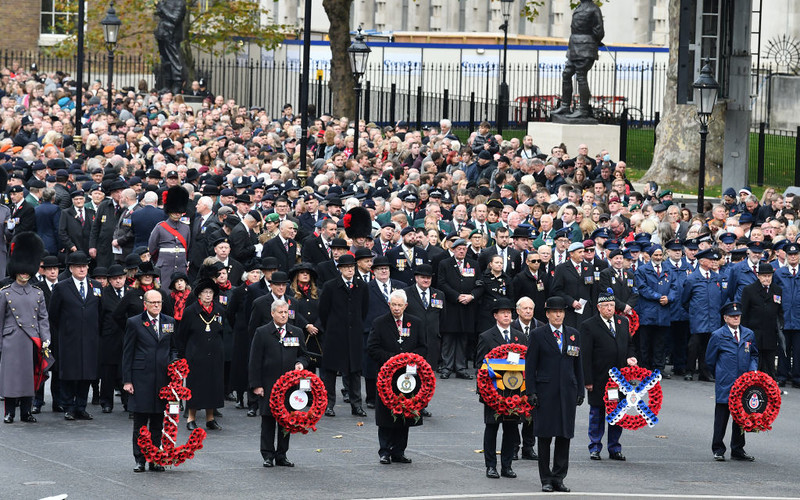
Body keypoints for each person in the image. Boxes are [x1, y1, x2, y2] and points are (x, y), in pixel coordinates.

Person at [526, 296, 584, 493]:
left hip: (567, 391)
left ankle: (559, 477)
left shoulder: (574, 334)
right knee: (544, 436)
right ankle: (546, 478)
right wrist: (531, 391)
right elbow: (530, 366)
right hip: (545, 392)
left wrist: (580, 389)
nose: (558, 314)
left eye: (561, 311)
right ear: (548, 314)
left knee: (564, 435)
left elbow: (578, 365)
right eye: (554, 311)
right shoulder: (537, 334)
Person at [367, 290, 426, 465]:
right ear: (389, 305)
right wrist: (394, 360)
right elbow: (372, 348)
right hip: (387, 376)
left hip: (408, 377)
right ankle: (384, 451)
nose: (397, 308)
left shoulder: (416, 322)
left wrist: (410, 360)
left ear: (406, 306)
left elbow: (423, 347)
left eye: (400, 305)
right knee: (386, 415)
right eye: (394, 305)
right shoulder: (379, 323)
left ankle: (399, 451)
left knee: (406, 412)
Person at [249, 299, 310, 468]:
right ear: (272, 313)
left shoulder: (296, 332)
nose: (284, 316)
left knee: (287, 420)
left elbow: (304, 355)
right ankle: (268, 454)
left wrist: (301, 364)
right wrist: (256, 384)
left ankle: (282, 454)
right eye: (280, 312)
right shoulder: (262, 332)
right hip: (268, 384)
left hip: (290, 387)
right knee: (268, 420)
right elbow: (254, 361)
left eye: (286, 313)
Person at [122, 289, 177, 472]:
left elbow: (174, 348)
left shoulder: (169, 322)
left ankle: (155, 458)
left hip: (163, 379)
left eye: (159, 302)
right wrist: (127, 380)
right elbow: (127, 352)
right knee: (140, 423)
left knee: (157, 422)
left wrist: (175, 366)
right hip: (141, 378)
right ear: (145, 303)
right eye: (152, 302)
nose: (156, 305)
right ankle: (140, 459)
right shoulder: (135, 322)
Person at [580, 288, 637, 461]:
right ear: (598, 307)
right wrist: (588, 380)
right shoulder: (588, 325)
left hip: (620, 379)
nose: (609, 309)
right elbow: (586, 355)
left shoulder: (622, 322)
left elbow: (629, 345)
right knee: (597, 413)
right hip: (599, 377)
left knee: (618, 414)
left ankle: (614, 447)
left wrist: (631, 357)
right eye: (605, 306)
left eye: (612, 305)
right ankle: (595, 447)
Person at [475, 299, 527, 479]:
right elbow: (479, 366)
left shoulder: (520, 337)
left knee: (511, 429)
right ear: (495, 316)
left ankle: (507, 466)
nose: (506, 315)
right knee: (492, 428)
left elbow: (527, 363)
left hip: (514, 393)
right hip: (494, 392)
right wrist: (484, 392)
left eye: (509, 312)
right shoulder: (486, 336)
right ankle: (490, 466)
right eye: (502, 312)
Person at [0, 233, 49, 424]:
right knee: (11, 378)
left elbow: (43, 318)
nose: (24, 274)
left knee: (30, 378)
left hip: (32, 340)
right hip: (11, 340)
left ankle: (26, 412)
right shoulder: (5, 293)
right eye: (21, 272)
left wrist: (46, 338)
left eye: (27, 272)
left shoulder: (38, 293)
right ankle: (10, 412)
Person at [49, 250, 102, 421]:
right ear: (70, 268)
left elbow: (100, 312)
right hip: (69, 338)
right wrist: (66, 330)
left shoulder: (96, 286)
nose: (82, 269)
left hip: (90, 338)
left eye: (84, 266)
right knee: (69, 374)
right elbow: (53, 315)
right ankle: (69, 406)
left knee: (87, 373)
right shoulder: (61, 287)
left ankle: (81, 406)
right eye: (78, 266)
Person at [705, 302, 758, 462]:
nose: (736, 318)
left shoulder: (748, 334)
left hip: (744, 382)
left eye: (738, 316)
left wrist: (753, 370)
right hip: (726, 382)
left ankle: (738, 448)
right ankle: (718, 448)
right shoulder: (718, 335)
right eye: (733, 316)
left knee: (741, 417)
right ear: (725, 318)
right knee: (722, 416)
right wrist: (721, 373)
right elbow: (710, 360)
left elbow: (754, 355)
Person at [318, 254, 369, 417]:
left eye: (352, 267)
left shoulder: (361, 286)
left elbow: (364, 310)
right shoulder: (330, 286)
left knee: (354, 371)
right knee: (331, 371)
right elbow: (323, 311)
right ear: (339, 269)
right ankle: (328, 404)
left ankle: (356, 405)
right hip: (335, 335)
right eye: (346, 267)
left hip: (354, 335)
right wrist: (332, 327)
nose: (349, 270)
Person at [177, 273, 225, 431]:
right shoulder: (191, 311)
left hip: (214, 354)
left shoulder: (219, 310)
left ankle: (210, 418)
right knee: (195, 387)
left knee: (213, 386)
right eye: (205, 292)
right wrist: (182, 355)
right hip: (195, 355)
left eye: (211, 292)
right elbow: (182, 334)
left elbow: (223, 331)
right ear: (199, 294)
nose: (208, 295)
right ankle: (191, 418)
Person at [438, 238, 483, 379]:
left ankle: (461, 367)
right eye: (459, 249)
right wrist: (456, 296)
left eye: (464, 248)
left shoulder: (474, 264)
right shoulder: (445, 264)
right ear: (453, 249)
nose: (462, 251)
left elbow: (480, 284)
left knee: (464, 339)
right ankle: (447, 367)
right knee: (449, 338)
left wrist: (472, 296)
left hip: (467, 307)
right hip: (451, 306)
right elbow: (441, 283)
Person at [740, 262, 782, 379]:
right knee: (755, 364)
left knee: (770, 365)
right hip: (754, 333)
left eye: (769, 276)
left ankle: (771, 388)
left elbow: (779, 312)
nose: (766, 278)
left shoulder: (777, 290)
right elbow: (744, 313)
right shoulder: (749, 290)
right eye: (764, 276)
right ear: (758, 276)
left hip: (770, 334)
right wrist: (744, 333)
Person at [98, 264, 129, 413]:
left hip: (126, 336)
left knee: (125, 371)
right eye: (115, 279)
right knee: (108, 371)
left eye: (121, 278)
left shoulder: (130, 292)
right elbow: (100, 316)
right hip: (109, 337)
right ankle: (106, 402)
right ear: (109, 280)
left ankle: (127, 401)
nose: (118, 281)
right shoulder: (104, 294)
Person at [148, 186, 191, 290]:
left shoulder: (186, 228)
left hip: (181, 266)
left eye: (179, 211)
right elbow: (152, 248)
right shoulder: (160, 227)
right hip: (165, 267)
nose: (177, 213)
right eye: (174, 211)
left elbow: (187, 247)